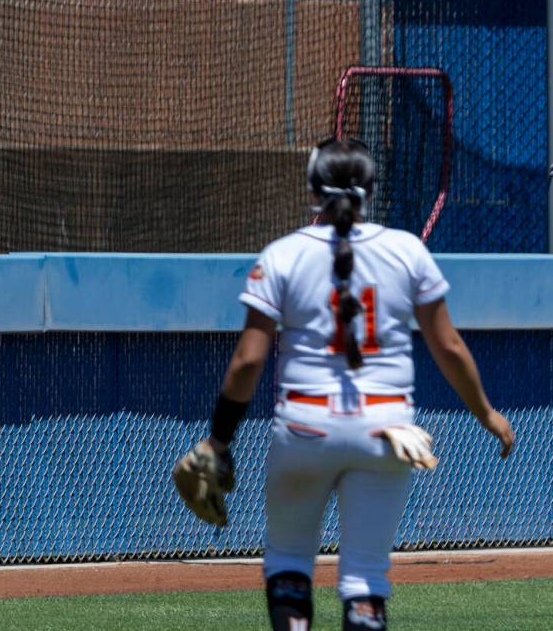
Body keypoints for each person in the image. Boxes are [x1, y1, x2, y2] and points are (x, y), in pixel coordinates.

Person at [172, 138, 514, 630]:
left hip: (305, 428)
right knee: (364, 578)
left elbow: (248, 361)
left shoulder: (283, 254)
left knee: (289, 561)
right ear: (370, 189)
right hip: (387, 431)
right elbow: (450, 348)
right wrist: (486, 413)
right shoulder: (406, 250)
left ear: (312, 188)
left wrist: (219, 439)